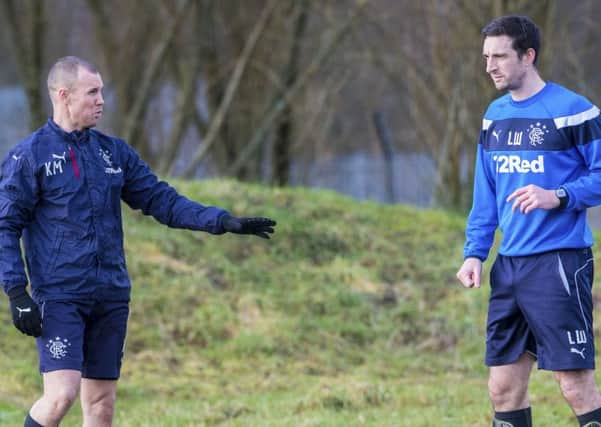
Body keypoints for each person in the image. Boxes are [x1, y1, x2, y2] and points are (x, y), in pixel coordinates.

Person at [0, 56, 276, 427]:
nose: (102, 100)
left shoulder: (113, 153)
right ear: (63, 95)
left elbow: (162, 201)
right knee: (60, 395)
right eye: (92, 92)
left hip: (111, 293)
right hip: (61, 295)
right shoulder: (28, 157)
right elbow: (5, 226)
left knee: (101, 404)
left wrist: (222, 221)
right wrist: (18, 293)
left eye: (102, 91)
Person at [456, 15, 601, 427]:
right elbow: (486, 195)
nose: (490, 66)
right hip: (509, 266)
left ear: (529, 55)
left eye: (500, 56)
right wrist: (475, 253)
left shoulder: (573, 111)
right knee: (502, 388)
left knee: (574, 384)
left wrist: (558, 195)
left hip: (558, 261)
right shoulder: (494, 115)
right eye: (486, 57)